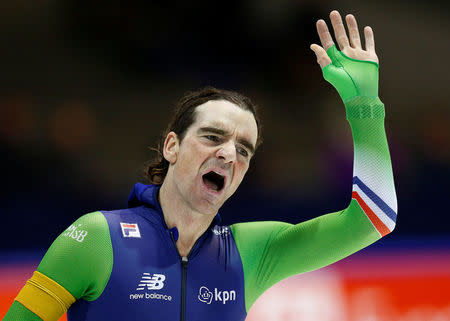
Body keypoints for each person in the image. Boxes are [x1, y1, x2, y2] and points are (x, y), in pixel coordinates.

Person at [3, 10, 397, 321]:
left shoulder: (254, 252)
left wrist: (363, 106)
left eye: (244, 150)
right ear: (171, 146)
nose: (229, 154)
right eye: (213, 137)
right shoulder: (96, 239)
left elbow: (373, 219)